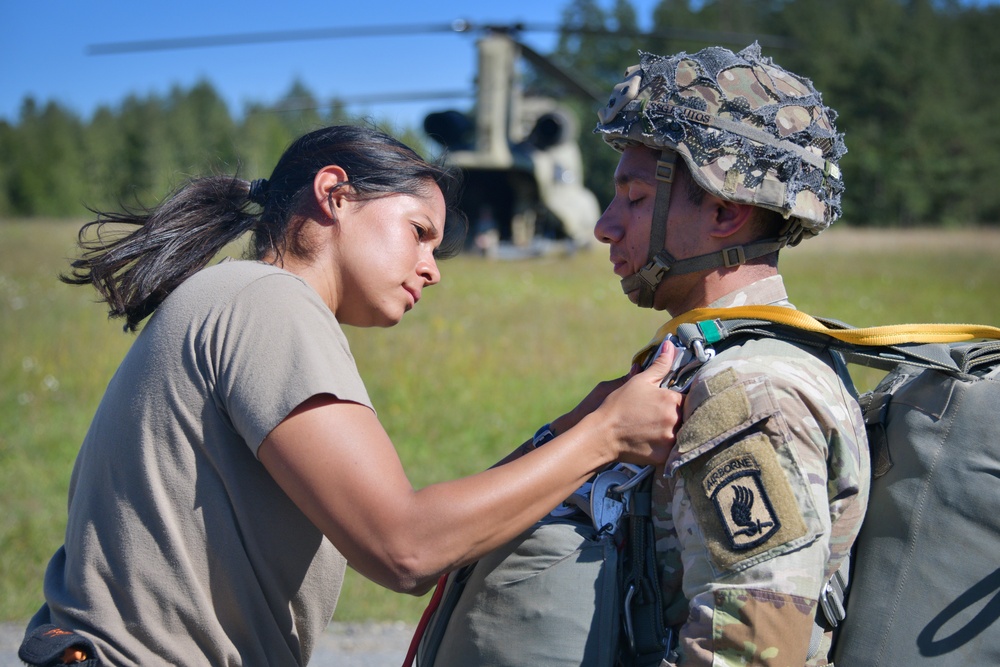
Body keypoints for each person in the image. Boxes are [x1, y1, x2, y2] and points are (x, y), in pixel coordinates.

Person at [20, 125, 684, 667]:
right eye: (420, 232)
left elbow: (412, 529)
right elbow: (405, 547)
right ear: (335, 194)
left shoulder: (235, 297)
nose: (433, 267)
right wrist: (604, 437)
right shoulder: (269, 303)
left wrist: (571, 427)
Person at [592, 44, 869, 665]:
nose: (605, 226)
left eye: (634, 198)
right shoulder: (746, 358)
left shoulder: (747, 390)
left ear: (723, 212)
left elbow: (751, 648)